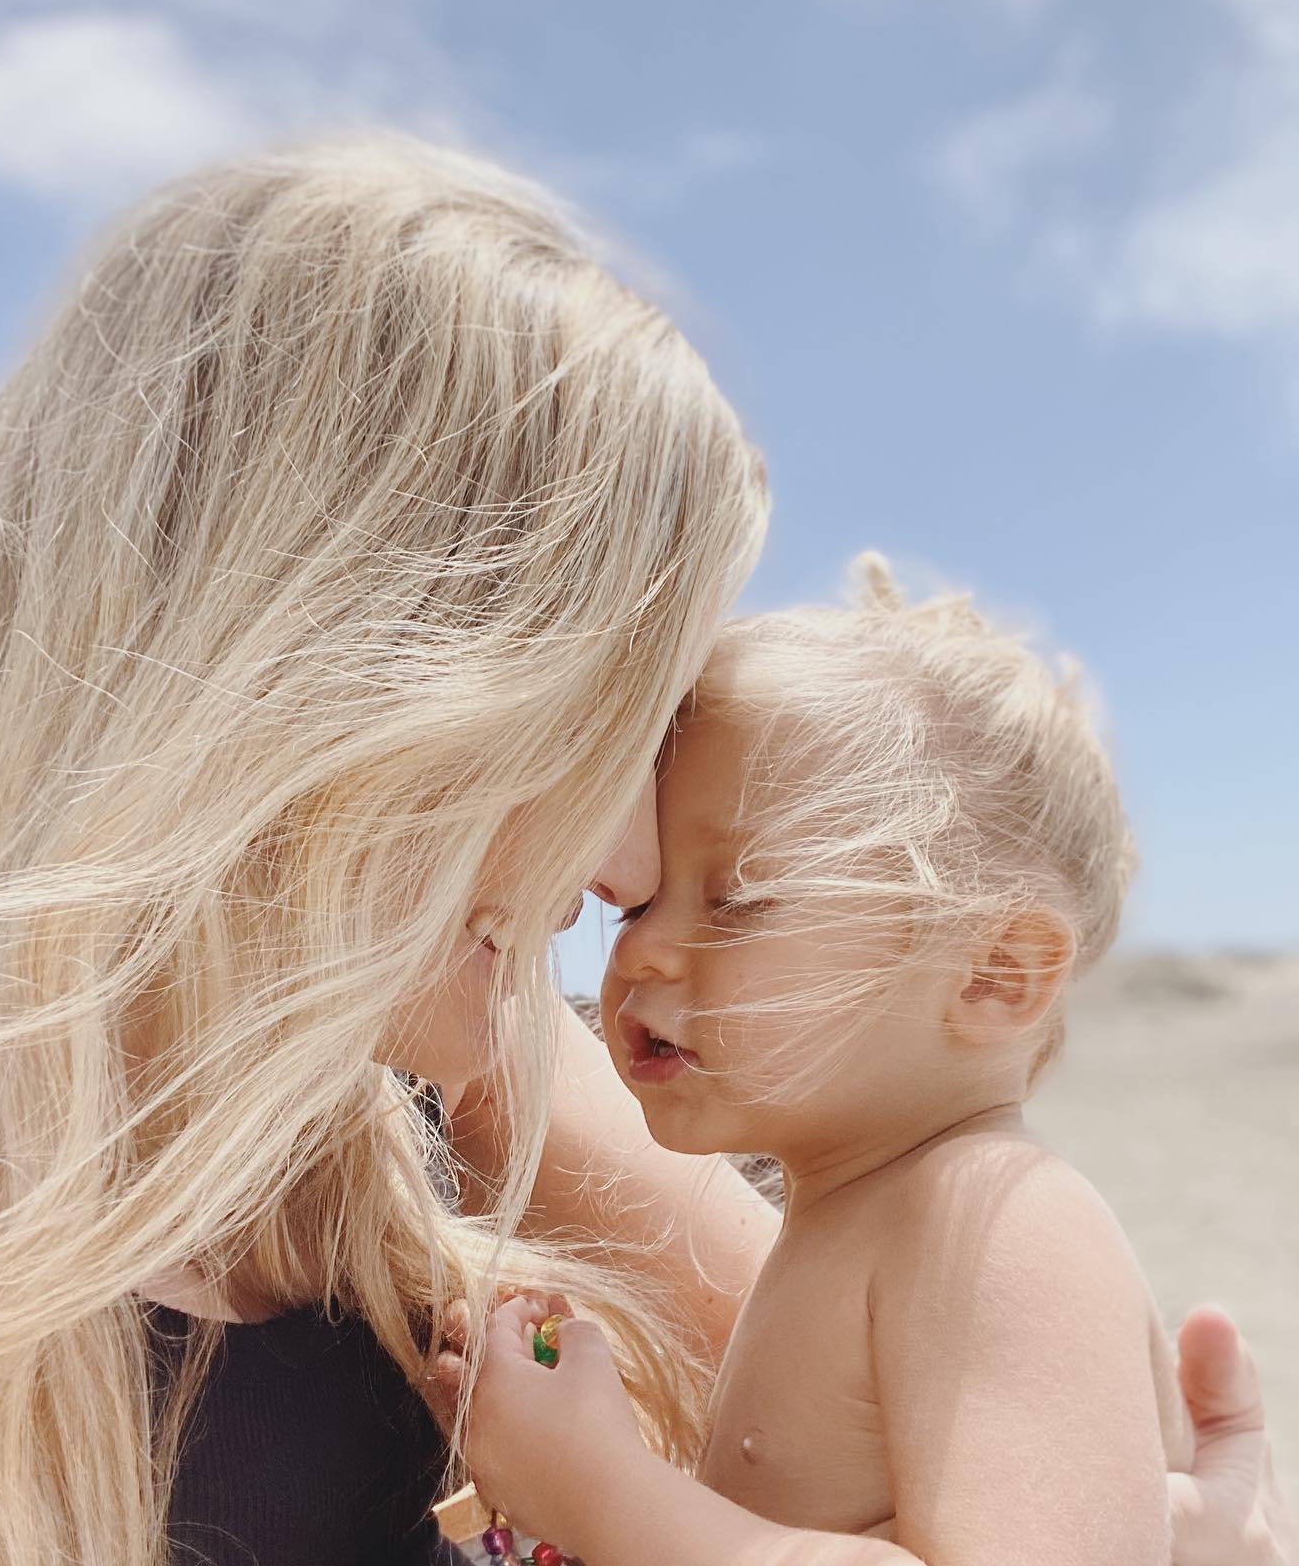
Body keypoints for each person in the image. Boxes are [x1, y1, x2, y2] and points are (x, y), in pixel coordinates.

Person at [0, 140, 1286, 1566]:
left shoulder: (458, 1054)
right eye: (603, 727)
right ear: (327, 675)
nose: (628, 875)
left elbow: (966, 1455)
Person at [463, 559, 1299, 1566]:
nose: (639, 948)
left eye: (740, 898)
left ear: (994, 974)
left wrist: (599, 1488)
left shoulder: (1004, 1220)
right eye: (639, 903)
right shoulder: (859, 1219)